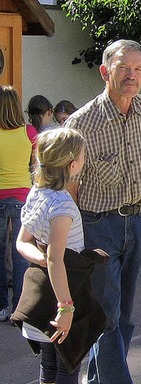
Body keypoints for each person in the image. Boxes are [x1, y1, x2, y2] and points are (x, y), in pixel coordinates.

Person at [65, 39, 141, 384]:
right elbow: (70, 187)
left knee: (124, 312)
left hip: (139, 222)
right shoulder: (80, 124)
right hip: (97, 225)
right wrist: (72, 240)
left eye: (138, 68)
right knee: (109, 312)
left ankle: (98, 380)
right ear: (104, 71)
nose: (132, 75)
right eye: (123, 67)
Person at [13, 128, 107, 384]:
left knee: (50, 366)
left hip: (39, 289)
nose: (84, 160)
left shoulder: (36, 194)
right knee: (69, 366)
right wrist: (66, 307)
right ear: (71, 163)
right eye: (81, 155)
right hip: (61, 295)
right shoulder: (62, 204)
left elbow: (22, 242)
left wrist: (45, 260)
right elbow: (57, 257)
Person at [0, 86, 36, 322]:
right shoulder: (30, 131)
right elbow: (36, 165)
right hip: (24, 196)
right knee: (21, 254)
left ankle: (1, 306)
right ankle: (20, 308)